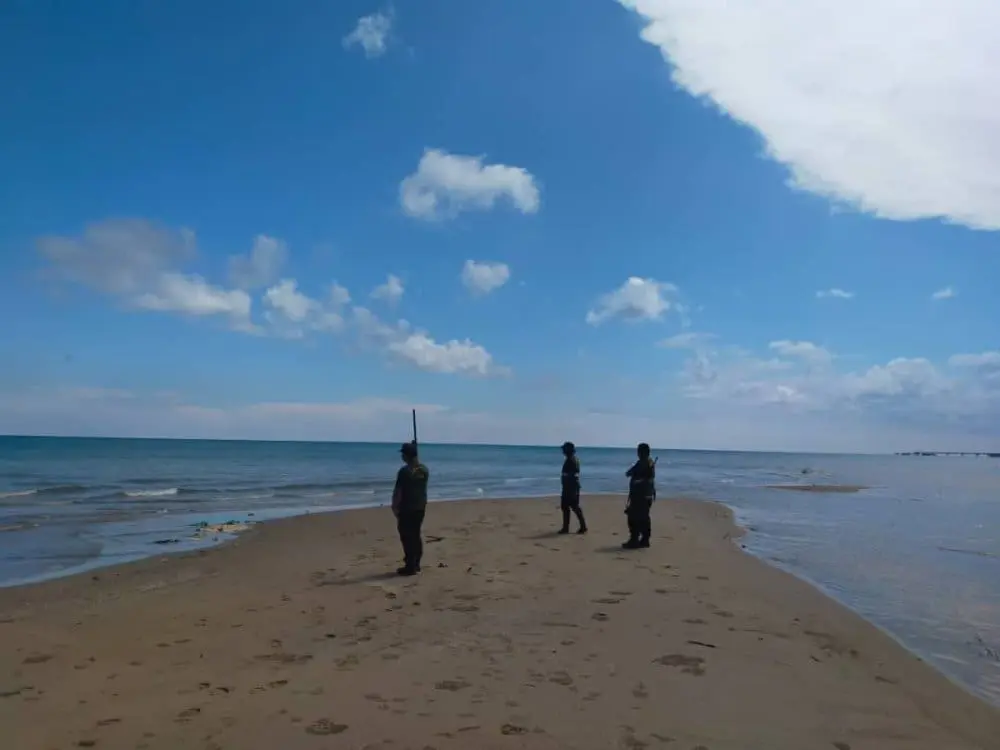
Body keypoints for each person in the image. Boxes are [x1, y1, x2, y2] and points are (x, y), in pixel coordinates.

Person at [391, 441, 429, 576]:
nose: (402, 457)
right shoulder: (424, 470)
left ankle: (410, 566)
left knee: (407, 537)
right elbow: (416, 470)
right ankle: (416, 563)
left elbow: (398, 491)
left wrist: (394, 507)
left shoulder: (404, 472)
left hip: (407, 509)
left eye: (403, 454)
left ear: (406, 456)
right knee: (415, 535)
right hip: (420, 507)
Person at [623, 442, 655, 549]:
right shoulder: (645, 462)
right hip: (644, 495)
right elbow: (629, 473)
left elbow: (631, 474)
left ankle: (635, 539)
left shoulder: (645, 463)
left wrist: (636, 477)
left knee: (634, 517)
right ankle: (644, 539)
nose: (638, 453)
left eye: (639, 451)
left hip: (641, 495)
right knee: (643, 517)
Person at [558, 441, 587, 535]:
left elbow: (574, 473)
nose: (563, 451)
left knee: (571, 506)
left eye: (564, 449)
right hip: (570, 486)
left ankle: (578, 527)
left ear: (568, 450)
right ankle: (573, 527)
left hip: (570, 487)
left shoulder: (571, 460)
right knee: (570, 506)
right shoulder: (573, 459)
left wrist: (566, 477)